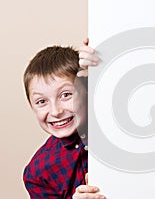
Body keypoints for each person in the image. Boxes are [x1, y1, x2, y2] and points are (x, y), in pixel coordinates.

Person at [23, 38, 103, 199]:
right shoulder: (37, 174)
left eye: (66, 95)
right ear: (32, 107)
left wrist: (100, 60)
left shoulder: (108, 126)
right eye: (41, 101)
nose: (56, 111)